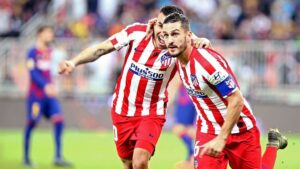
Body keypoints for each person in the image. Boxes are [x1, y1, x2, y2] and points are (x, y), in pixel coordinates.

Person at [58, 5, 211, 169]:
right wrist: (73, 62)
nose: (161, 32)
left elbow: (207, 57)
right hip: (122, 110)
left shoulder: (180, 43)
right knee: (128, 164)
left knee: (140, 161)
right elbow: (101, 49)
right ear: (153, 22)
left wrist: (206, 43)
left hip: (152, 111)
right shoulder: (136, 32)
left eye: (168, 28)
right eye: (159, 25)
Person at [162, 12, 288, 169]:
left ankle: (273, 144)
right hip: (208, 130)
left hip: (240, 129)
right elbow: (174, 28)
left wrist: (222, 138)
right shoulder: (178, 53)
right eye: (166, 35)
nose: (170, 40)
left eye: (174, 34)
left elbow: (237, 99)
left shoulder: (205, 63)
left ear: (188, 36)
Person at [24, 25, 71, 167]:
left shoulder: (51, 52)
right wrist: (45, 85)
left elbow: (54, 70)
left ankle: (58, 156)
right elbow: (32, 73)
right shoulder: (32, 53)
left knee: (59, 120)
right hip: (36, 96)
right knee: (32, 123)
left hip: (50, 97)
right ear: (40, 34)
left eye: (51, 32)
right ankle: (26, 158)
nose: (51, 35)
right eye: (48, 32)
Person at [172, 84, 196, 169]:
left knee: (182, 129)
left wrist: (169, 101)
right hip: (187, 97)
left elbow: (175, 82)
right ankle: (191, 156)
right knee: (181, 129)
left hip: (188, 99)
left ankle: (192, 158)